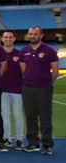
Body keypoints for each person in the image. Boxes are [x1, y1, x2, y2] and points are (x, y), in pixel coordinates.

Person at [20, 26, 59, 155]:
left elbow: (55, 70)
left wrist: (48, 83)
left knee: (45, 117)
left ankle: (47, 144)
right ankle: (33, 143)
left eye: (35, 34)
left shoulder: (49, 50)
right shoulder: (24, 50)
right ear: (28, 35)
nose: (33, 36)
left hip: (44, 88)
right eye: (30, 33)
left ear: (41, 35)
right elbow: (23, 69)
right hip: (28, 88)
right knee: (30, 116)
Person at [0, 30, 24, 150]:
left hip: (17, 89)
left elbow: (24, 72)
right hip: (2, 89)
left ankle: (19, 139)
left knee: (18, 114)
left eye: (10, 37)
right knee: (5, 115)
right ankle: (7, 138)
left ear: (14, 39)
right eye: (6, 37)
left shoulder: (19, 54)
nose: (8, 39)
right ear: (2, 39)